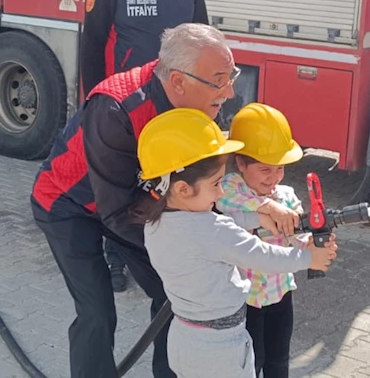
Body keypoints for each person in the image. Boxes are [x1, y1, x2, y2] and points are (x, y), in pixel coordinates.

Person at [31, 24, 265, 378]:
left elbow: (201, 185)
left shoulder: (201, 106)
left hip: (137, 202)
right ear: (178, 81)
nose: (230, 92)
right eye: (220, 80)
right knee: (97, 311)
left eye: (230, 76)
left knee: (175, 295)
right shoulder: (116, 109)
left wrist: (260, 210)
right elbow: (114, 211)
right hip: (69, 205)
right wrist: (184, 247)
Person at [133, 107, 339, 378]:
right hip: (221, 349)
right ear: (183, 189)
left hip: (183, 338)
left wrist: (256, 218)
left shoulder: (155, 224)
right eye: (216, 184)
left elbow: (210, 234)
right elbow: (258, 254)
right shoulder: (214, 229)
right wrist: (307, 259)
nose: (220, 193)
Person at [78, 0, 209, 292]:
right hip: (127, 106)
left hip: (175, 104)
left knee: (169, 177)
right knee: (122, 181)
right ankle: (115, 254)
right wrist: (93, 107)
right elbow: (92, 44)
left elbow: (203, 39)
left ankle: (166, 246)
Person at [215, 103, 306, 378]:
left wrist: (310, 235)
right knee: (252, 361)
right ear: (241, 162)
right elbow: (225, 199)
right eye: (265, 169)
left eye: (279, 169)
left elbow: (300, 237)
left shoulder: (287, 195)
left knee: (279, 360)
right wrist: (268, 207)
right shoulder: (230, 186)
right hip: (247, 298)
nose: (274, 177)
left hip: (281, 293)